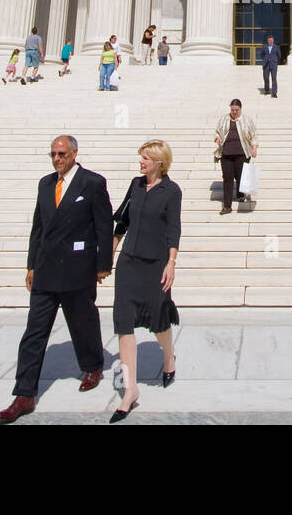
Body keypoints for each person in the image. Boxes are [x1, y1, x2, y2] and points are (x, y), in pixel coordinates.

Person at [0, 135, 113, 424]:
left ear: (74, 153)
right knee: (34, 332)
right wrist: (31, 265)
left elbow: (103, 225)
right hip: (46, 270)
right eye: (53, 154)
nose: (57, 159)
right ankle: (24, 394)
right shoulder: (46, 184)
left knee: (82, 322)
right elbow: (39, 226)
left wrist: (103, 265)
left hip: (77, 268)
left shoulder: (92, 183)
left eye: (61, 153)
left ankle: (92, 365)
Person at [109, 139, 181, 423]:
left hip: (155, 264)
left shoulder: (172, 191)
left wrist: (171, 262)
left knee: (158, 320)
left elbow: (174, 228)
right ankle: (130, 389)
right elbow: (122, 220)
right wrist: (110, 253)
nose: (141, 162)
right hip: (129, 262)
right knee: (123, 323)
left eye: (146, 158)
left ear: (159, 163)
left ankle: (168, 356)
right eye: (141, 157)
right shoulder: (136, 185)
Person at [213, 99, 258, 215]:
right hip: (226, 153)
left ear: (240, 109)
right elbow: (217, 132)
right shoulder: (224, 119)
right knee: (227, 178)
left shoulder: (246, 120)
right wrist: (217, 138)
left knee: (240, 175)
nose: (234, 112)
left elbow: (253, 135)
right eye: (232, 110)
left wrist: (254, 148)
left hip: (242, 153)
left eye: (236, 110)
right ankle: (227, 206)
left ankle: (240, 193)